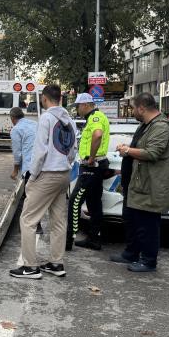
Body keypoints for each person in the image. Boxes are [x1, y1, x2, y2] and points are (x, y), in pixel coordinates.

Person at [10, 85, 77, 280]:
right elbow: (72, 149)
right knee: (58, 220)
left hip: (46, 174)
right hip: (64, 173)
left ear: (45, 99)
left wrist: (33, 175)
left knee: (28, 219)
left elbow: (39, 152)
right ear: (61, 99)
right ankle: (57, 263)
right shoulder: (69, 120)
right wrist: (66, 163)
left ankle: (30, 267)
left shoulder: (46, 119)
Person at [112, 93, 169, 273]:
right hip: (138, 183)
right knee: (132, 219)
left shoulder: (162, 127)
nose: (132, 111)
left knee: (148, 224)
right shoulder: (147, 125)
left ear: (142, 108)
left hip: (150, 185)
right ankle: (131, 253)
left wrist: (128, 150)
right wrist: (129, 150)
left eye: (133, 108)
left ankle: (148, 261)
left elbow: (152, 153)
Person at [67, 93, 111, 251]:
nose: (77, 110)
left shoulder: (95, 117)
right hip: (97, 165)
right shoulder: (95, 117)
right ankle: (94, 239)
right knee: (93, 202)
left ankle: (68, 239)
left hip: (92, 166)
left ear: (85, 105)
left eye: (78, 106)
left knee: (74, 201)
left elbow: (97, 135)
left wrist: (91, 158)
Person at [9, 106, 42, 235]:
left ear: (12, 118)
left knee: (29, 196)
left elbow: (18, 153)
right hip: (42, 164)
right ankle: (34, 223)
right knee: (37, 196)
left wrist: (15, 170)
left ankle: (34, 226)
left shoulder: (16, 129)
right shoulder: (34, 123)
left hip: (30, 166)